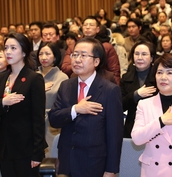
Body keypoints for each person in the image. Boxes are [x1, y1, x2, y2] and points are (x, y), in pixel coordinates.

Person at [49, 37, 123, 177]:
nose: (77, 59)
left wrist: (111, 170)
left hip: (94, 164)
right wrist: (75, 109)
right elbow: (54, 119)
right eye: (75, 54)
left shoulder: (110, 90)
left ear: (96, 61)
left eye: (83, 55)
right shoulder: (66, 85)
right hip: (67, 163)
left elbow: (114, 135)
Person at [0, 33, 46, 177]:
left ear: (24, 51)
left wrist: (37, 152)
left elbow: (38, 118)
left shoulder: (34, 78)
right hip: (5, 148)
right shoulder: (1, 78)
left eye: (13, 48)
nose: (8, 52)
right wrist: (3, 102)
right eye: (6, 48)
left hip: (26, 149)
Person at [36, 42, 68, 157]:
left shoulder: (62, 77)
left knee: (52, 160)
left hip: (52, 126)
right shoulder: (33, 75)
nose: (44, 57)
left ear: (55, 56)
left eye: (48, 54)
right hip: (34, 124)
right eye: (41, 54)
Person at [121, 40, 157, 138]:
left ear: (152, 58)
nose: (140, 58)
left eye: (144, 54)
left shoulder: (159, 77)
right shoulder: (126, 77)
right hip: (131, 125)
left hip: (154, 125)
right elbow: (120, 105)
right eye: (136, 54)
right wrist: (136, 94)